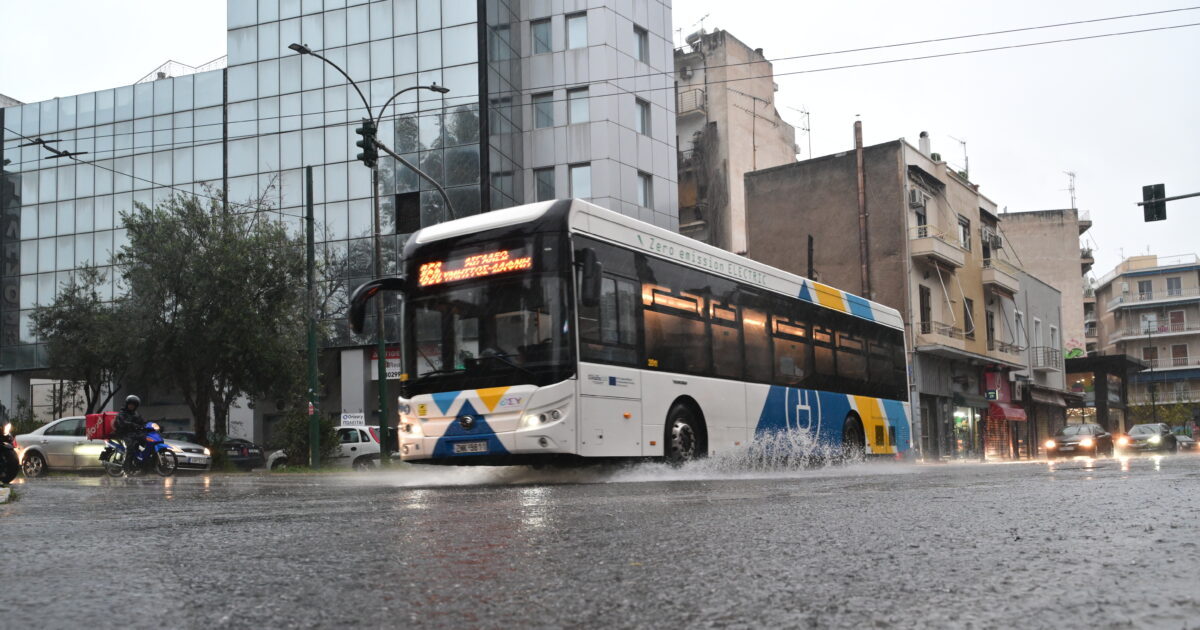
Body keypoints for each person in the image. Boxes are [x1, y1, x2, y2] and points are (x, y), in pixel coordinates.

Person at [114, 395, 146, 474]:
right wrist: (132, 424)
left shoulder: (136, 414)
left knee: (146, 441)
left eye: (133, 405)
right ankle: (126, 467)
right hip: (124, 434)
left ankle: (141, 464)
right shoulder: (122, 413)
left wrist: (152, 426)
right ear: (127, 404)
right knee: (131, 447)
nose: (131, 406)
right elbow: (122, 423)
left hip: (134, 434)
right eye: (130, 404)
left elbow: (143, 422)